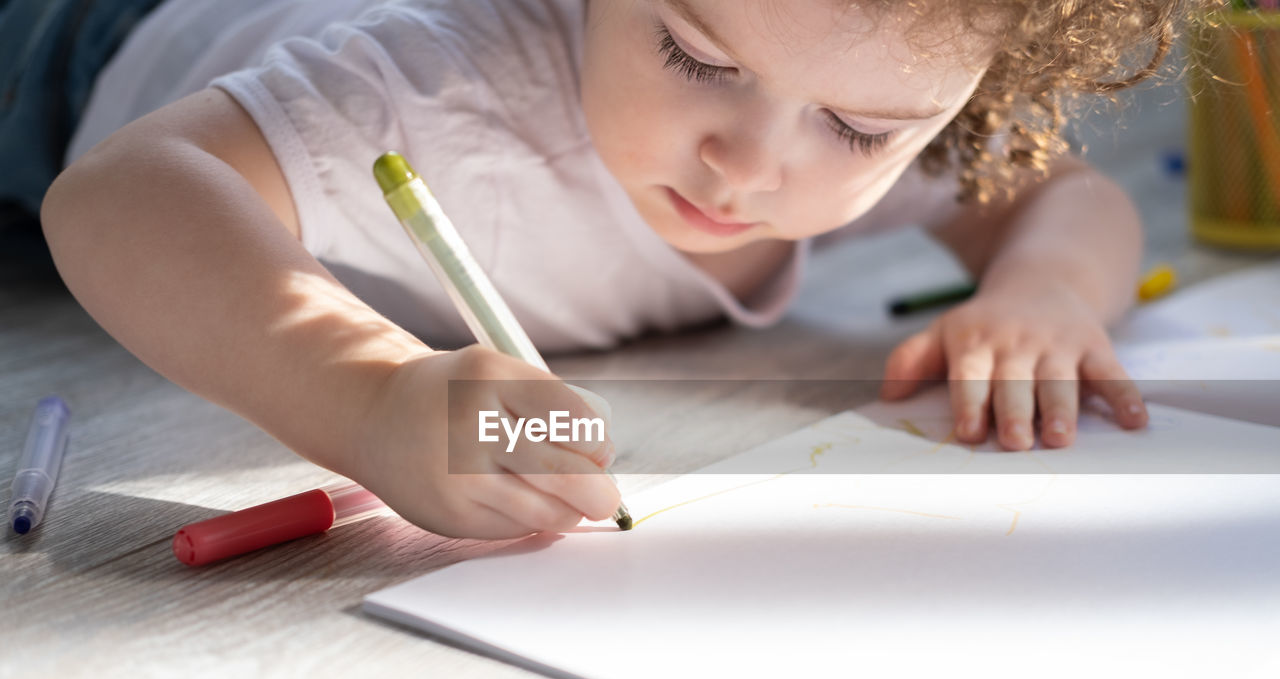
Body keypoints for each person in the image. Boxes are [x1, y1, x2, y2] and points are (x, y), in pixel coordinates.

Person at [31, 0, 1186, 538]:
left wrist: (1041, 291)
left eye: (854, 131)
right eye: (692, 53)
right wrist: (367, 390)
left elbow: (1065, 202)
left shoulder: (879, 74)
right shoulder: (436, 90)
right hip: (70, 58)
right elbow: (119, 196)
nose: (748, 165)